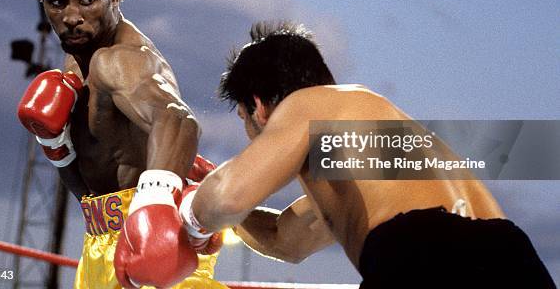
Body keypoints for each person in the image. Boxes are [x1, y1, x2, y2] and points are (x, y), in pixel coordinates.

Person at [178, 21, 556, 288]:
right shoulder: (377, 152)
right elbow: (286, 240)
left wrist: (191, 213)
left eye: (245, 119)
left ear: (260, 107)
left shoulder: (308, 103)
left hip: (426, 257)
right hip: (514, 260)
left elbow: (227, 197)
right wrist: (230, 217)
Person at [17, 0, 226, 289]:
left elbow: (177, 119)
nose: (71, 15)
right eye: (57, 1)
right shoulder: (75, 60)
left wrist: (155, 207)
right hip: (101, 240)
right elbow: (93, 188)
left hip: (150, 241)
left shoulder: (119, 61)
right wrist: (57, 149)